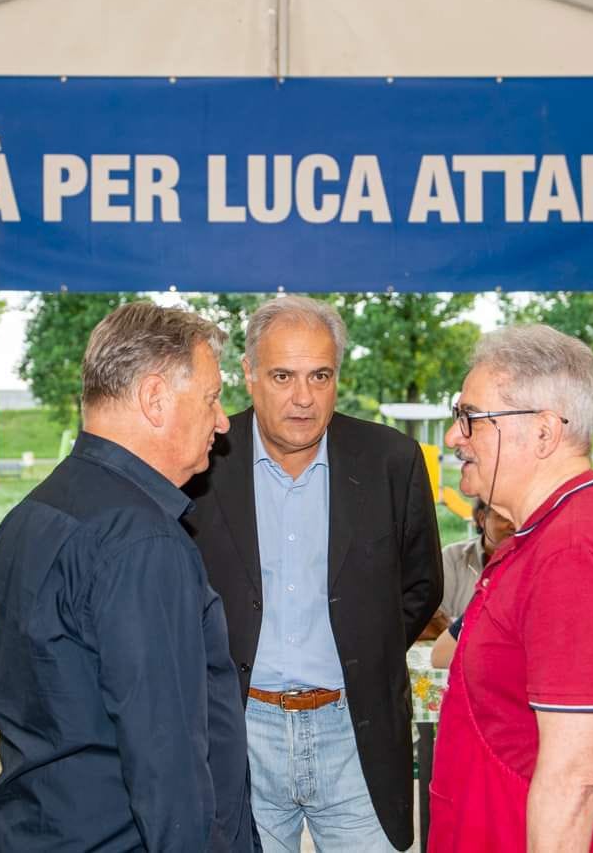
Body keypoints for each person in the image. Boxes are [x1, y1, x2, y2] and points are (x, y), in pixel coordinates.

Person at [0, 302, 259, 852]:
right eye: (210, 397)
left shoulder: (33, 512)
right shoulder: (142, 544)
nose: (223, 420)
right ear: (156, 398)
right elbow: (167, 765)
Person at [184, 295, 443, 852]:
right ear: (249, 376)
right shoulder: (201, 461)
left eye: (319, 375)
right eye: (282, 376)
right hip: (238, 732)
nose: (303, 398)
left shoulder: (392, 461)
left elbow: (421, 586)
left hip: (355, 734)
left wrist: (364, 649)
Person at [429, 324, 593, 852]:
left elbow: (574, 777)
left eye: (470, 419)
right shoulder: (551, 532)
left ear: (543, 432)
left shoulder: (577, 549)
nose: (455, 437)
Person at [430, 498, 514, 669]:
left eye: (518, 517)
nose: (514, 525)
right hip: (450, 661)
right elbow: (435, 619)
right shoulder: (452, 558)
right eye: (504, 518)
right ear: (482, 518)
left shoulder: (530, 566)